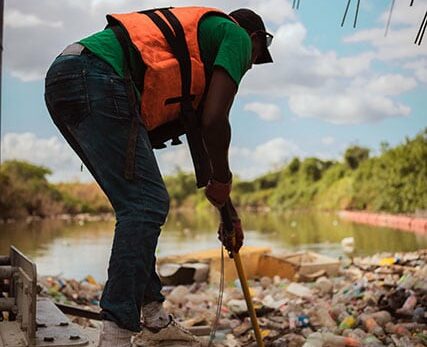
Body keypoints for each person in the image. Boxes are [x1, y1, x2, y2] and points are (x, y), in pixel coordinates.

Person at [44, 6, 273, 347]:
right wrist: (225, 180)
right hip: (97, 76)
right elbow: (214, 122)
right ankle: (117, 332)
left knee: (138, 204)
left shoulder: (196, 52)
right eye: (255, 57)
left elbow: (202, 149)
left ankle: (153, 317)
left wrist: (228, 214)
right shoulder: (236, 35)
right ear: (254, 38)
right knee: (145, 204)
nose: (248, 65)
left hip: (64, 77)